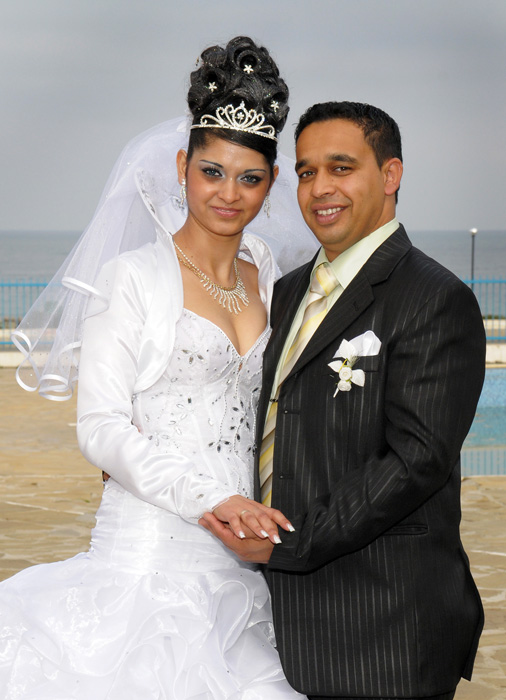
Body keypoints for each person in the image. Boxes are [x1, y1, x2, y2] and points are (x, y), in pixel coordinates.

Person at [0, 37, 316, 699]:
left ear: (271, 184)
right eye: (212, 172)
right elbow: (101, 428)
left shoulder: (270, 275)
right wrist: (211, 500)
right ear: (182, 167)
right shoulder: (133, 279)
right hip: (147, 562)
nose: (228, 193)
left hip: (243, 571)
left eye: (249, 178)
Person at [200, 101, 486, 700]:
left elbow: (415, 461)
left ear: (390, 174)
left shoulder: (435, 299)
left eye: (341, 167)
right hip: (272, 624)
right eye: (306, 172)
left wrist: (289, 542)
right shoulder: (285, 293)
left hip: (382, 631)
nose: (320, 188)